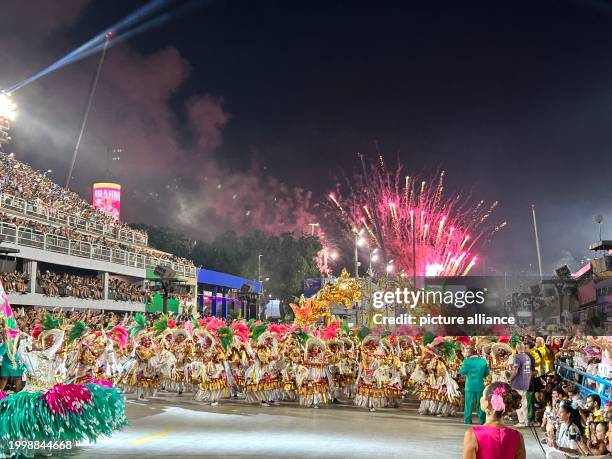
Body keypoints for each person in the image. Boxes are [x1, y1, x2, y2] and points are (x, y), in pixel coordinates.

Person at [461, 381, 526, 459]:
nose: (481, 398)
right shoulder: (517, 436)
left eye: (482, 396)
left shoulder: (472, 434)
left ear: (487, 404)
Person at [460, 347, 490, 424]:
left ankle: (468, 420)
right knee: (480, 403)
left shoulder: (466, 361)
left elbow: (462, 372)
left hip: (469, 385)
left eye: (467, 352)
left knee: (468, 403)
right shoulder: (483, 361)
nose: (466, 354)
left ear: (470, 353)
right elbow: (487, 373)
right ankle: (482, 420)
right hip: (480, 385)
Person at [510, 342, 532, 428]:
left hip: (518, 383)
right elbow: (529, 372)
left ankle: (522, 422)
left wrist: (510, 379)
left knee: (518, 401)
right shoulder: (527, 357)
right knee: (524, 402)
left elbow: (515, 371)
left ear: (517, 348)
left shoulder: (517, 357)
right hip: (525, 382)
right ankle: (526, 421)